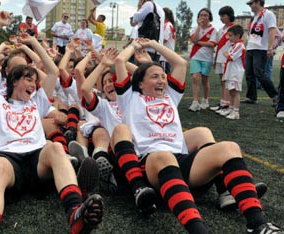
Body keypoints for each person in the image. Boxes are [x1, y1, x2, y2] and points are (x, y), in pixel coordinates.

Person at [0, 11, 104, 233]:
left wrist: (32, 42)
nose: (34, 83)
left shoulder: (37, 99)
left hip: (37, 160)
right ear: (12, 81)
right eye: (28, 79)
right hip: (9, 162)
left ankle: (75, 213)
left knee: (56, 147)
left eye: (34, 80)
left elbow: (51, 69)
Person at [113, 38, 282, 233]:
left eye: (163, 76)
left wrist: (152, 44)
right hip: (152, 165)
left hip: (182, 162)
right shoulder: (130, 97)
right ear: (140, 83)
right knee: (164, 155)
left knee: (230, 147)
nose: (161, 80)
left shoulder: (170, 96)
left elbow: (181, 63)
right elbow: (119, 61)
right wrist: (134, 46)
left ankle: (257, 223)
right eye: (154, 77)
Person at [243, 0, 278, 106]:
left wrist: (270, 48)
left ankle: (276, 96)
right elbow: (250, 33)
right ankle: (252, 97)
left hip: (261, 49)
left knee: (259, 73)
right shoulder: (254, 17)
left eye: (251, 3)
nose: (250, 6)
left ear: (258, 2)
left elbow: (272, 30)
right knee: (249, 74)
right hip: (251, 48)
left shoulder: (268, 14)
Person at [189, 8, 217, 112]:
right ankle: (195, 102)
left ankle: (205, 100)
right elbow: (194, 39)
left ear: (209, 17)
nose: (203, 17)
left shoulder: (213, 30)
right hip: (195, 57)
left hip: (207, 58)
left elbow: (212, 44)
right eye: (201, 15)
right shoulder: (195, 28)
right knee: (195, 78)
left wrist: (198, 42)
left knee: (205, 80)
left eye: (205, 15)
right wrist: (198, 28)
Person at [210, 6, 235, 115]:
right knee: (222, 82)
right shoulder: (221, 29)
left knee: (226, 82)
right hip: (220, 58)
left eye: (223, 15)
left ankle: (227, 104)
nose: (221, 18)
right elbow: (216, 44)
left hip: (227, 59)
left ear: (229, 15)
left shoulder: (234, 28)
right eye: (220, 16)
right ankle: (222, 103)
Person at [221, 25, 246, 120]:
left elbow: (230, 56)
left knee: (235, 92)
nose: (229, 38)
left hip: (236, 72)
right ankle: (231, 109)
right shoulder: (234, 45)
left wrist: (226, 54)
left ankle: (236, 111)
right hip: (231, 71)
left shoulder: (239, 45)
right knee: (231, 91)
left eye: (231, 35)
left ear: (238, 35)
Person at [160, 7, 175, 74]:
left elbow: (164, 40)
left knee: (164, 75)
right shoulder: (169, 25)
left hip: (164, 57)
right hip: (167, 56)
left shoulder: (167, 25)